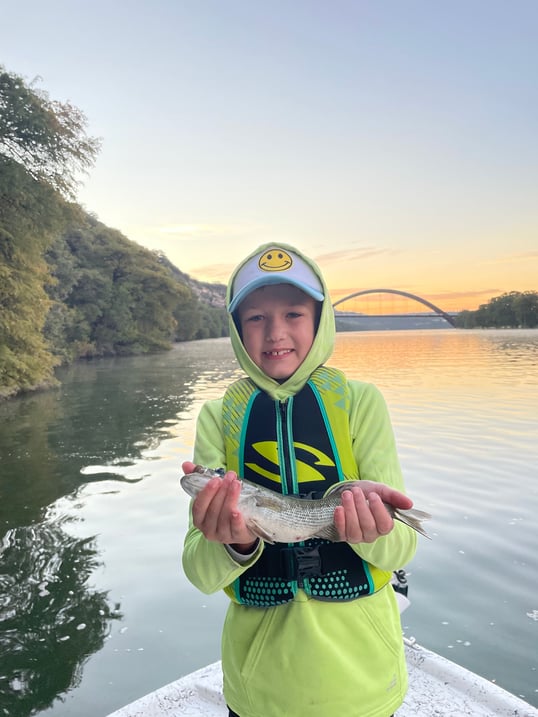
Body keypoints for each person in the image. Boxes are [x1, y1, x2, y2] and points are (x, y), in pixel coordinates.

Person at [182, 243, 418, 717]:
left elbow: (400, 551)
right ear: (235, 328)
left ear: (320, 319)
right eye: (255, 318)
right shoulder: (215, 417)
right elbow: (200, 573)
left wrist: (376, 529)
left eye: (293, 313)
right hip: (259, 691)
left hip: (364, 684)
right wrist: (236, 543)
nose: (275, 332)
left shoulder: (360, 402)